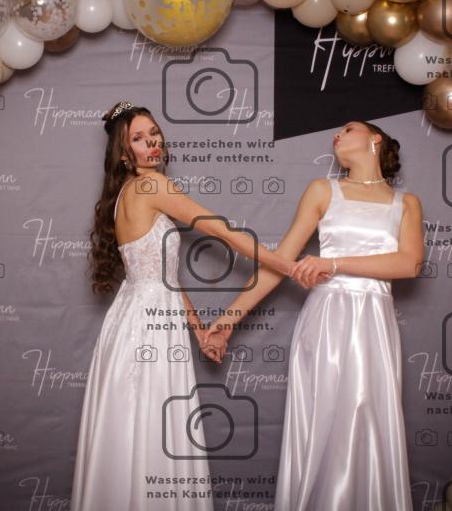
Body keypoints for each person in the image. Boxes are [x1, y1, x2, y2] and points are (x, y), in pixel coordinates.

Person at [69, 101, 295, 511]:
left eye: (154, 133)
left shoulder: (125, 195)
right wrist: (288, 266)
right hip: (150, 328)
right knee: (152, 425)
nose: (152, 142)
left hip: (133, 318)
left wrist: (199, 330)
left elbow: (165, 276)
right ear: (124, 154)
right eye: (139, 138)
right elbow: (223, 231)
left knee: (133, 427)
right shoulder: (152, 186)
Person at [204, 121, 424, 511]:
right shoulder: (324, 190)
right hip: (327, 321)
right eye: (336, 132)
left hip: (374, 323)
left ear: (375, 139)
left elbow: (409, 264)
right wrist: (228, 320)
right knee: (322, 423)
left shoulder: (406, 203)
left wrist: (333, 263)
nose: (338, 135)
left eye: (348, 128)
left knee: (371, 420)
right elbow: (279, 264)